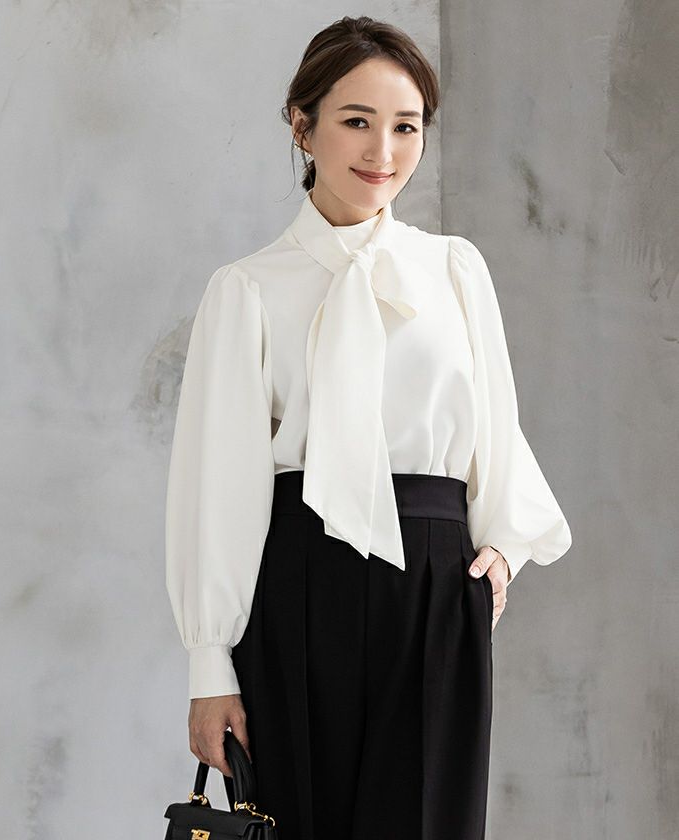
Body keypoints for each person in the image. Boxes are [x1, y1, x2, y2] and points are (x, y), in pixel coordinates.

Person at [165, 14, 572, 840]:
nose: (382, 151)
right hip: (298, 583)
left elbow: (495, 426)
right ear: (302, 124)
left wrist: (505, 547)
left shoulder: (454, 269)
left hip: (434, 585)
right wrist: (211, 666)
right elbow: (217, 483)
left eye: (406, 126)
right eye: (356, 121)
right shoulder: (247, 289)